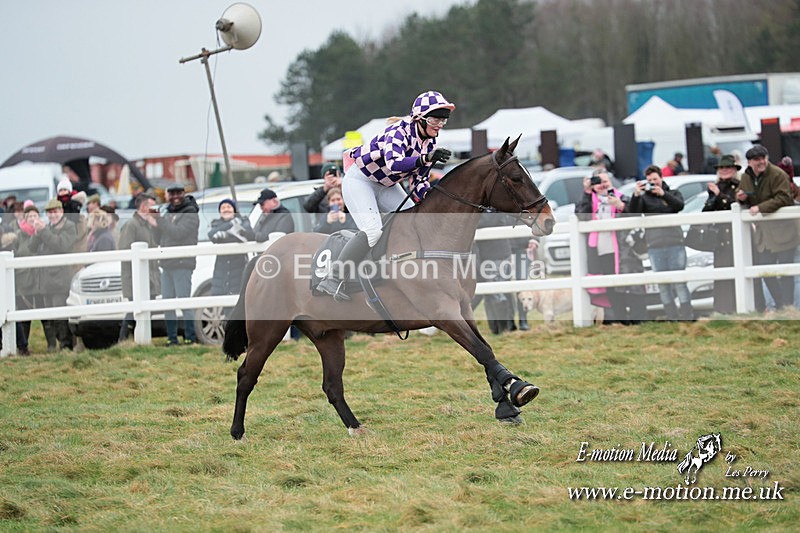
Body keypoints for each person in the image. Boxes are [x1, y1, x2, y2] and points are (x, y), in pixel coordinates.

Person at [317, 90, 455, 301]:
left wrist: (431, 201)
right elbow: (395, 163)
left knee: (414, 221)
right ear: (419, 118)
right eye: (435, 119)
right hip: (360, 180)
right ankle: (333, 277)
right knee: (373, 230)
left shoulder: (430, 142)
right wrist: (426, 158)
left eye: (443, 120)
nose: (439, 124)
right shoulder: (398, 131)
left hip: (387, 184)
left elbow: (418, 181)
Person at [735, 145, 799, 312]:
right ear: (749, 162)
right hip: (763, 234)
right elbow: (743, 196)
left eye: (764, 157)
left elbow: (785, 198)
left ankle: (787, 308)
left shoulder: (778, 174)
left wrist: (760, 208)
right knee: (765, 271)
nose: (762, 161)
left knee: (786, 273)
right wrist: (741, 198)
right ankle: (780, 304)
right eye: (757, 159)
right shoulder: (745, 177)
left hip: (784, 231)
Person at [628, 165, 694, 321]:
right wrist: (636, 195)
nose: (653, 183)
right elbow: (634, 212)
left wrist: (663, 194)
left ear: (661, 178)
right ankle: (671, 317)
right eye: (649, 180)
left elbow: (679, 205)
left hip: (675, 242)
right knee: (663, 285)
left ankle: (687, 317)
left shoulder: (673, 193)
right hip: (655, 245)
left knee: (680, 282)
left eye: (655, 179)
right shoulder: (644, 197)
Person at [575, 168, 635, 324]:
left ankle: (628, 317)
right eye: (597, 182)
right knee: (608, 286)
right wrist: (587, 193)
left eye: (605, 181)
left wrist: (620, 205)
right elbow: (582, 215)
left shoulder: (621, 197)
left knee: (623, 285)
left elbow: (634, 213)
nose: (602, 185)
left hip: (623, 250)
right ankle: (616, 318)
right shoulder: (589, 199)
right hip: (599, 249)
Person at [30, 199, 79, 351]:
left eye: (55, 211)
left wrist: (43, 231)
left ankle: (66, 345)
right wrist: (37, 232)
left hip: (60, 280)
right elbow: (31, 248)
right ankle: (57, 344)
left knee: (61, 317)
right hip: (46, 280)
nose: (53, 215)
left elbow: (61, 245)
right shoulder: (47, 227)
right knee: (51, 317)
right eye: (50, 213)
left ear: (62, 211)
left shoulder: (69, 227)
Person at [157, 183, 199, 345]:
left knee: (184, 302)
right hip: (167, 264)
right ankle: (171, 338)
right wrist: (155, 224)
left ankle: (190, 337)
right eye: (171, 193)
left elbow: (178, 233)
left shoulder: (191, 212)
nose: (175, 196)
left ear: (183, 193)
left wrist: (159, 221)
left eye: (178, 193)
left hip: (182, 263)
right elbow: (161, 237)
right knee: (167, 302)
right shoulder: (167, 212)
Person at [118, 192, 161, 342]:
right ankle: (123, 339)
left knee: (146, 308)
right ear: (143, 207)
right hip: (135, 277)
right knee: (133, 310)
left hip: (149, 276)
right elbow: (124, 250)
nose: (154, 209)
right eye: (151, 206)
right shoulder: (132, 225)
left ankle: (134, 339)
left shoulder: (147, 225)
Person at [701, 154, 741, 314]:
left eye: (727, 167)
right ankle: (723, 311)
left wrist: (719, 195)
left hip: (736, 236)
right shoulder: (714, 188)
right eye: (721, 168)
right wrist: (712, 198)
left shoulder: (739, 185)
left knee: (738, 272)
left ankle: (741, 308)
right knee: (722, 274)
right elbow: (707, 210)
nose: (724, 170)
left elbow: (735, 206)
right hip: (720, 239)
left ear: (734, 169)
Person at [208, 198, 254, 297]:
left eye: (229, 207)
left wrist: (224, 235)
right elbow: (212, 236)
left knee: (239, 299)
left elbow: (250, 235)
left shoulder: (243, 220)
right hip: (222, 268)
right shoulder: (215, 223)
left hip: (239, 266)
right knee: (223, 299)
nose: (226, 209)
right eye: (223, 208)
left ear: (234, 209)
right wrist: (231, 225)